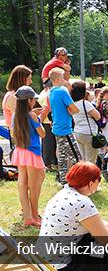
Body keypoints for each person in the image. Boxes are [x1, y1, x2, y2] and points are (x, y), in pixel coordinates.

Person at [38, 161, 108, 270]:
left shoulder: (64, 193)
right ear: (91, 183)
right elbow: (106, 239)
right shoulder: (82, 202)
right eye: (98, 183)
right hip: (63, 265)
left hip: (45, 259)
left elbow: (94, 223)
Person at [12, 86, 46, 227]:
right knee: (33, 185)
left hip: (21, 151)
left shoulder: (16, 115)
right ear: (29, 100)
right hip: (32, 152)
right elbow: (42, 133)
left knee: (23, 183)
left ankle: (27, 215)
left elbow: (13, 134)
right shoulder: (32, 115)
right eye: (34, 99)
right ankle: (34, 216)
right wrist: (39, 117)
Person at [48, 68, 82, 184]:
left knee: (62, 156)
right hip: (65, 129)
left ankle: (64, 181)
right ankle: (81, 179)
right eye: (63, 77)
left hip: (57, 128)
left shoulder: (51, 91)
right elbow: (74, 108)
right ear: (58, 79)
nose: (65, 79)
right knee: (77, 156)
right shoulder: (62, 91)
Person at [71, 80, 102, 164]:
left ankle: (83, 175)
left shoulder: (72, 104)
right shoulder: (85, 103)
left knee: (83, 159)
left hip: (78, 131)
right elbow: (97, 116)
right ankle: (90, 176)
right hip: (89, 132)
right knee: (91, 160)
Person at [3, 65, 33, 131]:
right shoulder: (13, 97)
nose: (31, 82)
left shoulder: (13, 95)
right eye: (28, 79)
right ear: (21, 80)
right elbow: (18, 119)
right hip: (18, 136)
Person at [37, 84, 57, 169]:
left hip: (45, 121)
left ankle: (47, 162)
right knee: (49, 144)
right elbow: (46, 109)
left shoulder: (42, 93)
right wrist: (39, 121)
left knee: (46, 143)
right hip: (48, 122)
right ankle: (49, 163)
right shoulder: (48, 94)